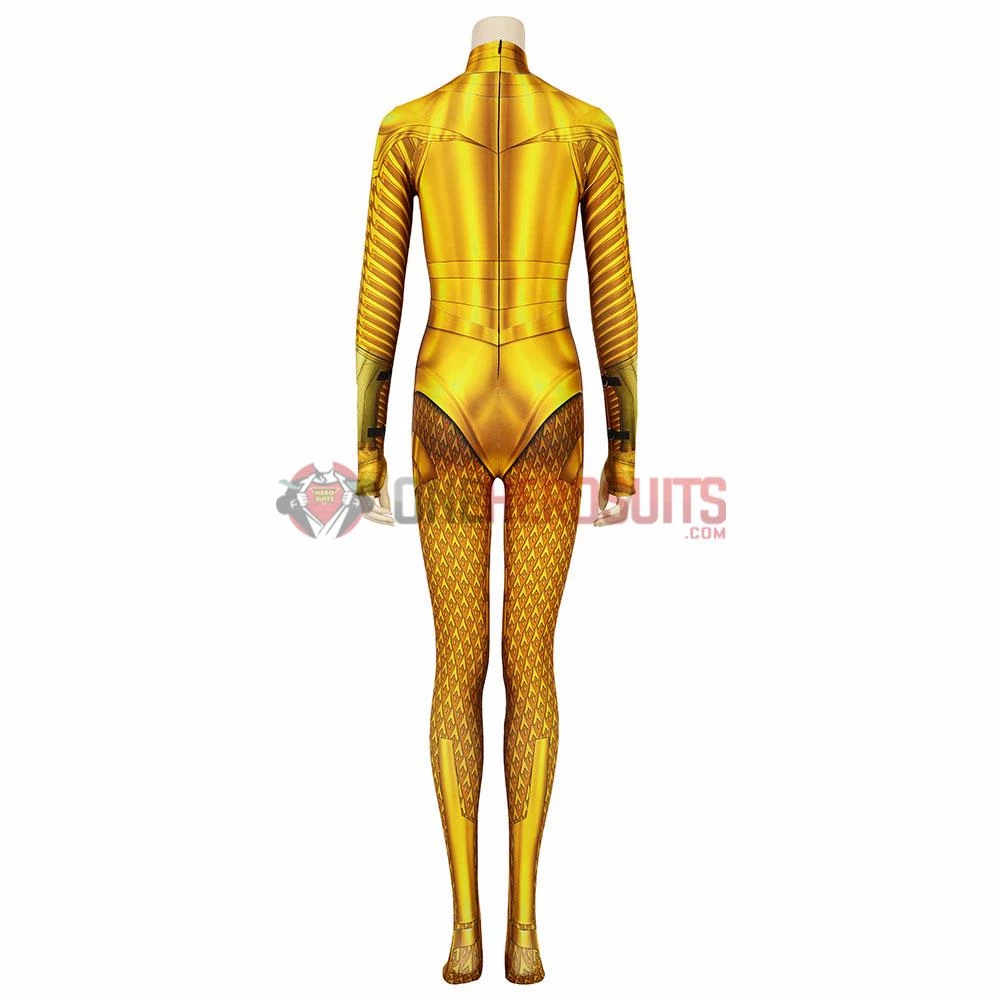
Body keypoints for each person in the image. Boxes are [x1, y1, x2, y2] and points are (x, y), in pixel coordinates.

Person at [353, 19, 638, 984]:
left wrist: (365, 441)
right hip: (553, 397)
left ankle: (465, 930)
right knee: (532, 664)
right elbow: (614, 306)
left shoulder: (409, 126)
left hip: (446, 395)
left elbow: (378, 304)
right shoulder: (587, 127)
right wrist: (628, 446)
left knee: (456, 663)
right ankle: (524, 930)